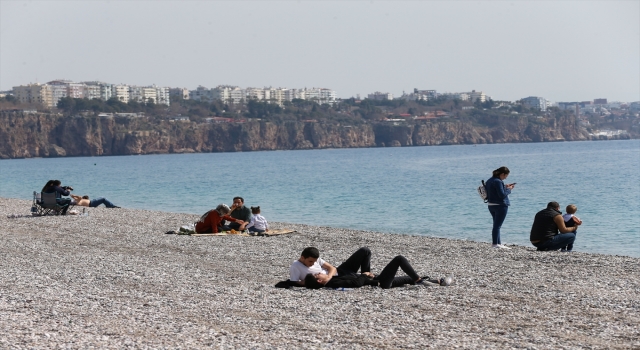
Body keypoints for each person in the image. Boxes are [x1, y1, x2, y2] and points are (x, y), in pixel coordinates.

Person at [290, 246, 452, 289]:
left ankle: (435, 281)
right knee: (399, 259)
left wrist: (328, 276)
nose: (315, 268)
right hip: (377, 282)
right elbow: (295, 282)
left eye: (314, 263)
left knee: (365, 251)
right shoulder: (297, 268)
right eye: (311, 263)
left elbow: (331, 268)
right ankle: (420, 280)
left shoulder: (325, 276)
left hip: (346, 274)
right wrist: (365, 276)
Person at [485, 166, 516, 249]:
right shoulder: (498, 181)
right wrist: (509, 189)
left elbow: (494, 191)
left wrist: (505, 187)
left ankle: (498, 243)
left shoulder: (489, 180)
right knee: (497, 226)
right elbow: (502, 195)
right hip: (500, 205)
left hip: (491, 205)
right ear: (502, 174)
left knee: (496, 225)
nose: (505, 178)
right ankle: (495, 244)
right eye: (505, 176)